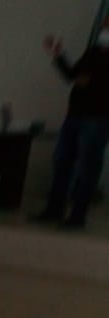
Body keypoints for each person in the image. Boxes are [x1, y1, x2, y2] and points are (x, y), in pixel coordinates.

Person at [31, 19, 109, 230]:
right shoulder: (95, 50)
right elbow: (73, 76)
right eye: (104, 25)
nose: (103, 28)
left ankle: (77, 216)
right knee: (62, 163)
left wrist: (91, 80)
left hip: (98, 118)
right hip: (75, 115)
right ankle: (54, 209)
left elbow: (89, 80)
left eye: (107, 24)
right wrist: (59, 54)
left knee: (87, 168)